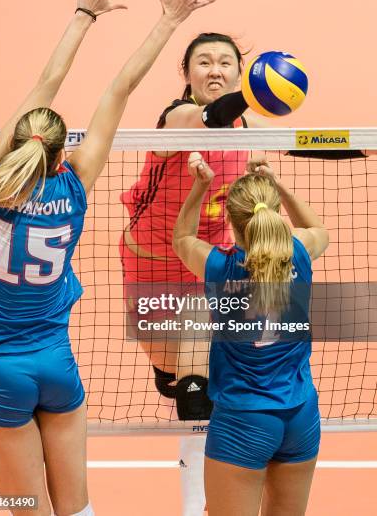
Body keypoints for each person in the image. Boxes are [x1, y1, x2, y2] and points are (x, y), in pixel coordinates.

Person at [0, 0, 215, 516]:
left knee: (28, 510)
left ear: (17, 143)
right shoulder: (75, 187)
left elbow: (45, 84)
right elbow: (120, 88)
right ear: (62, 154)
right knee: (77, 511)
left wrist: (83, 14)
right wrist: (169, 19)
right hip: (58, 365)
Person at [120, 29, 272, 513]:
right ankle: (181, 385)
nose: (215, 70)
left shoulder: (243, 127)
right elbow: (207, 118)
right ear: (186, 75)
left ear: (238, 71)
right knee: (176, 378)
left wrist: (362, 148)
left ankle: (200, 504)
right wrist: (253, 92)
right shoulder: (179, 117)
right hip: (154, 269)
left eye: (226, 62)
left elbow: (295, 147)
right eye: (203, 62)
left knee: (201, 389)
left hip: (210, 267)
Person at [172, 152, 329, 516]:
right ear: (273, 214)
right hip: (301, 416)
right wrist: (280, 187)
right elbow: (319, 230)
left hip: (243, 422)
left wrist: (201, 185)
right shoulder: (300, 254)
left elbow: (182, 237)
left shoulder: (220, 268)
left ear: (231, 221)